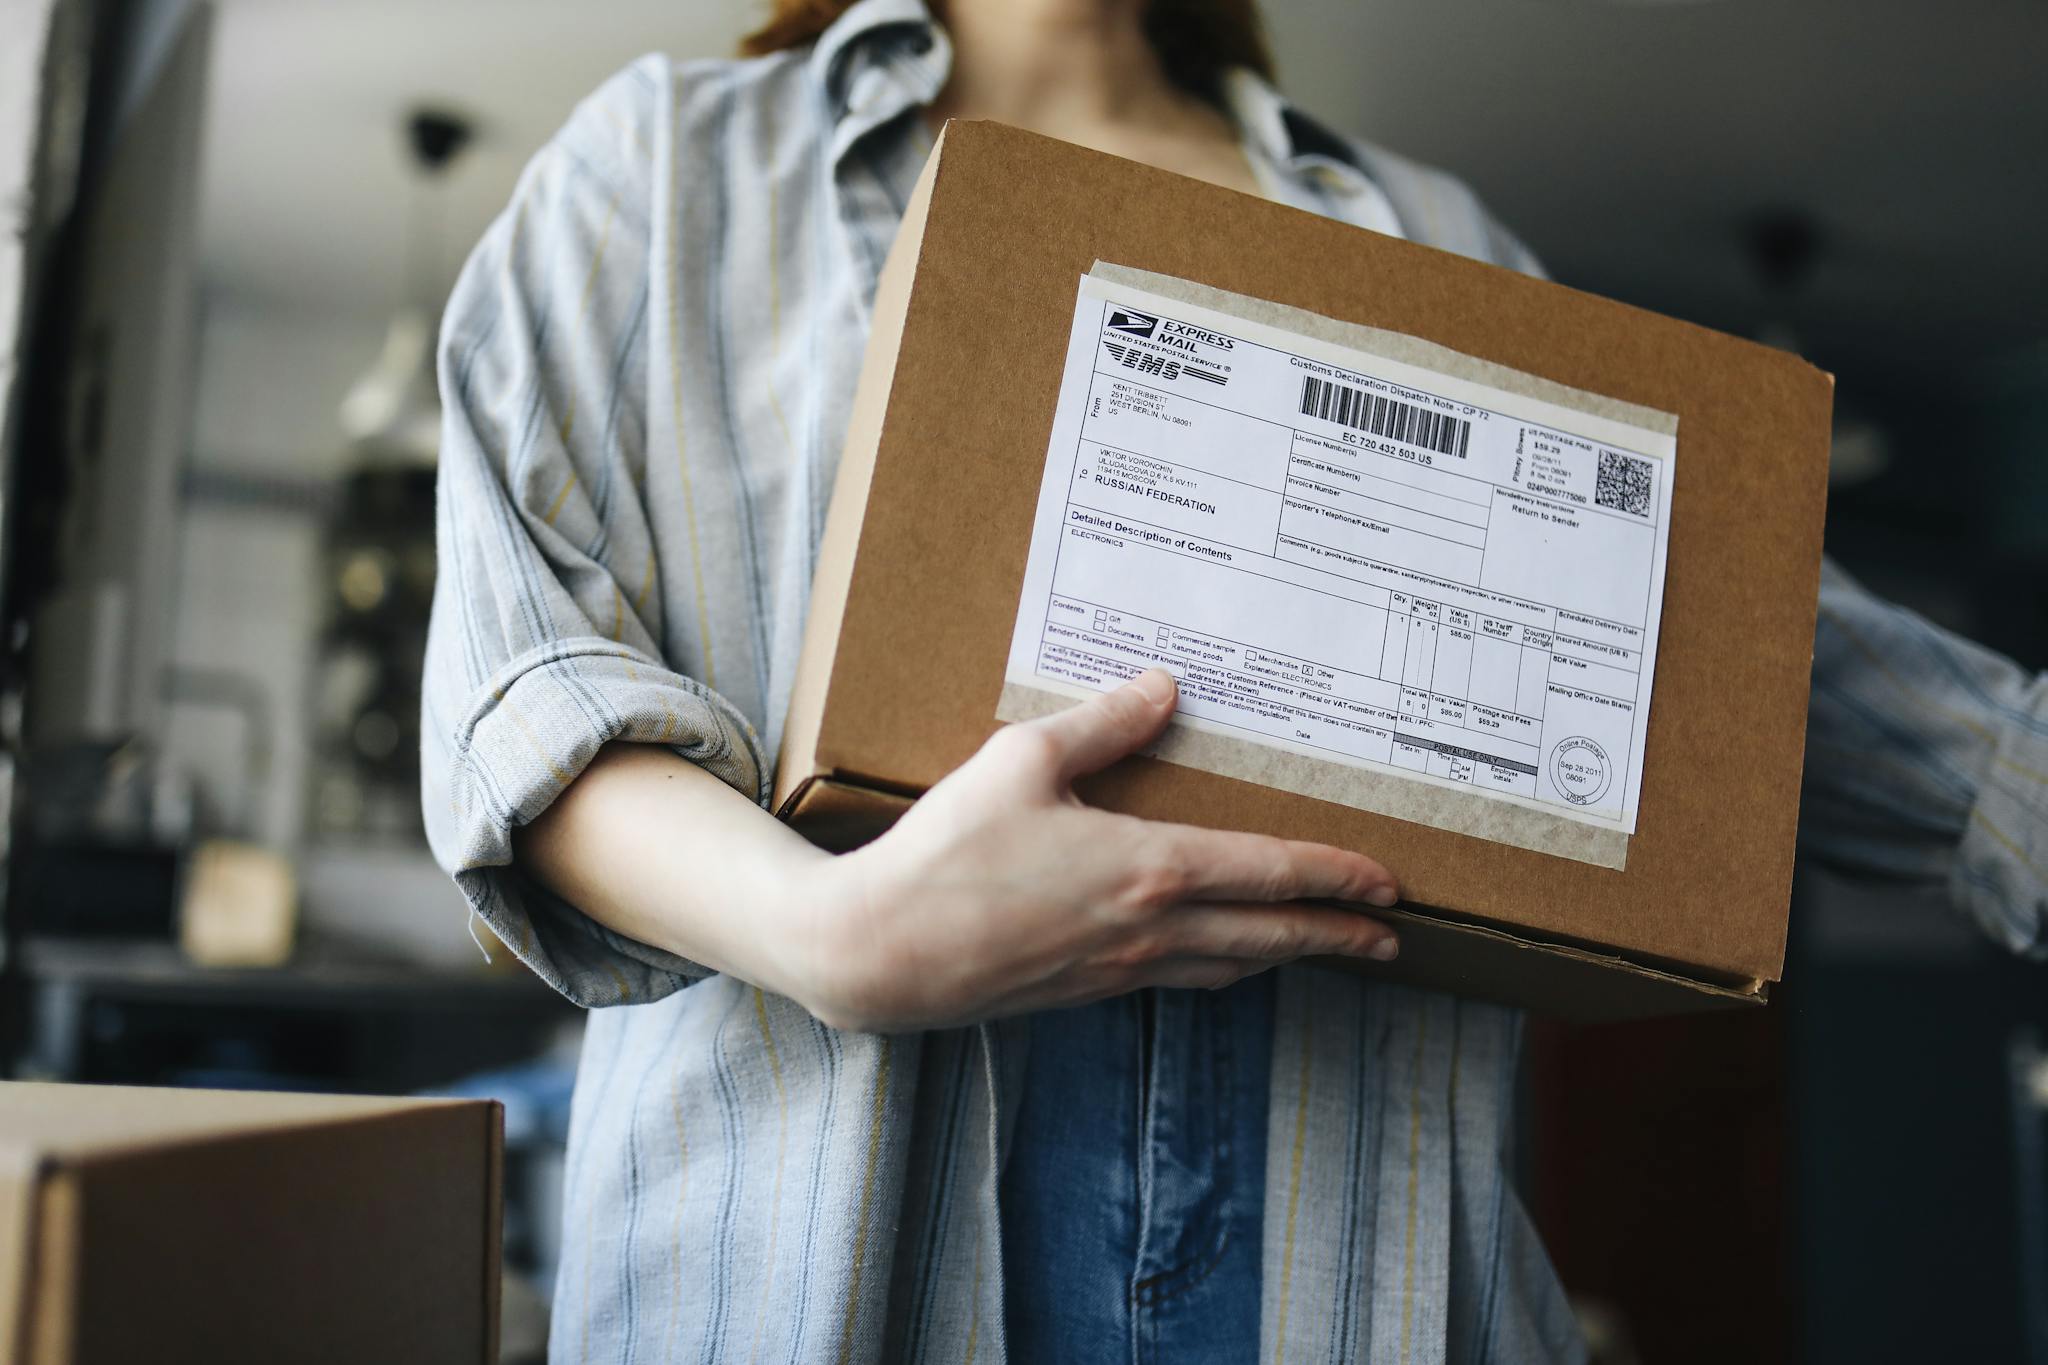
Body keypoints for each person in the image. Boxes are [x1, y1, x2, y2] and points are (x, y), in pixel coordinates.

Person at [421, 0, 2048, 1359]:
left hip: (1357, 1281)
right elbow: (525, 676)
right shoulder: (670, 169)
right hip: (808, 1277)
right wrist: (834, 931)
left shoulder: (1431, 233)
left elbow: (1724, 656)